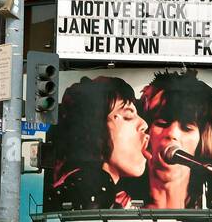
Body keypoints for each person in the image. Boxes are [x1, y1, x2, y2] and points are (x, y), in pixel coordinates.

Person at [138, 70, 212, 211]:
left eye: (187, 128)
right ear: (146, 131)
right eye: (162, 123)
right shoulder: (119, 205)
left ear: (202, 140)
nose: (172, 134)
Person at [47, 76, 149, 211]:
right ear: (94, 129)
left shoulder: (117, 198)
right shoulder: (78, 195)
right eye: (128, 116)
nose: (144, 125)